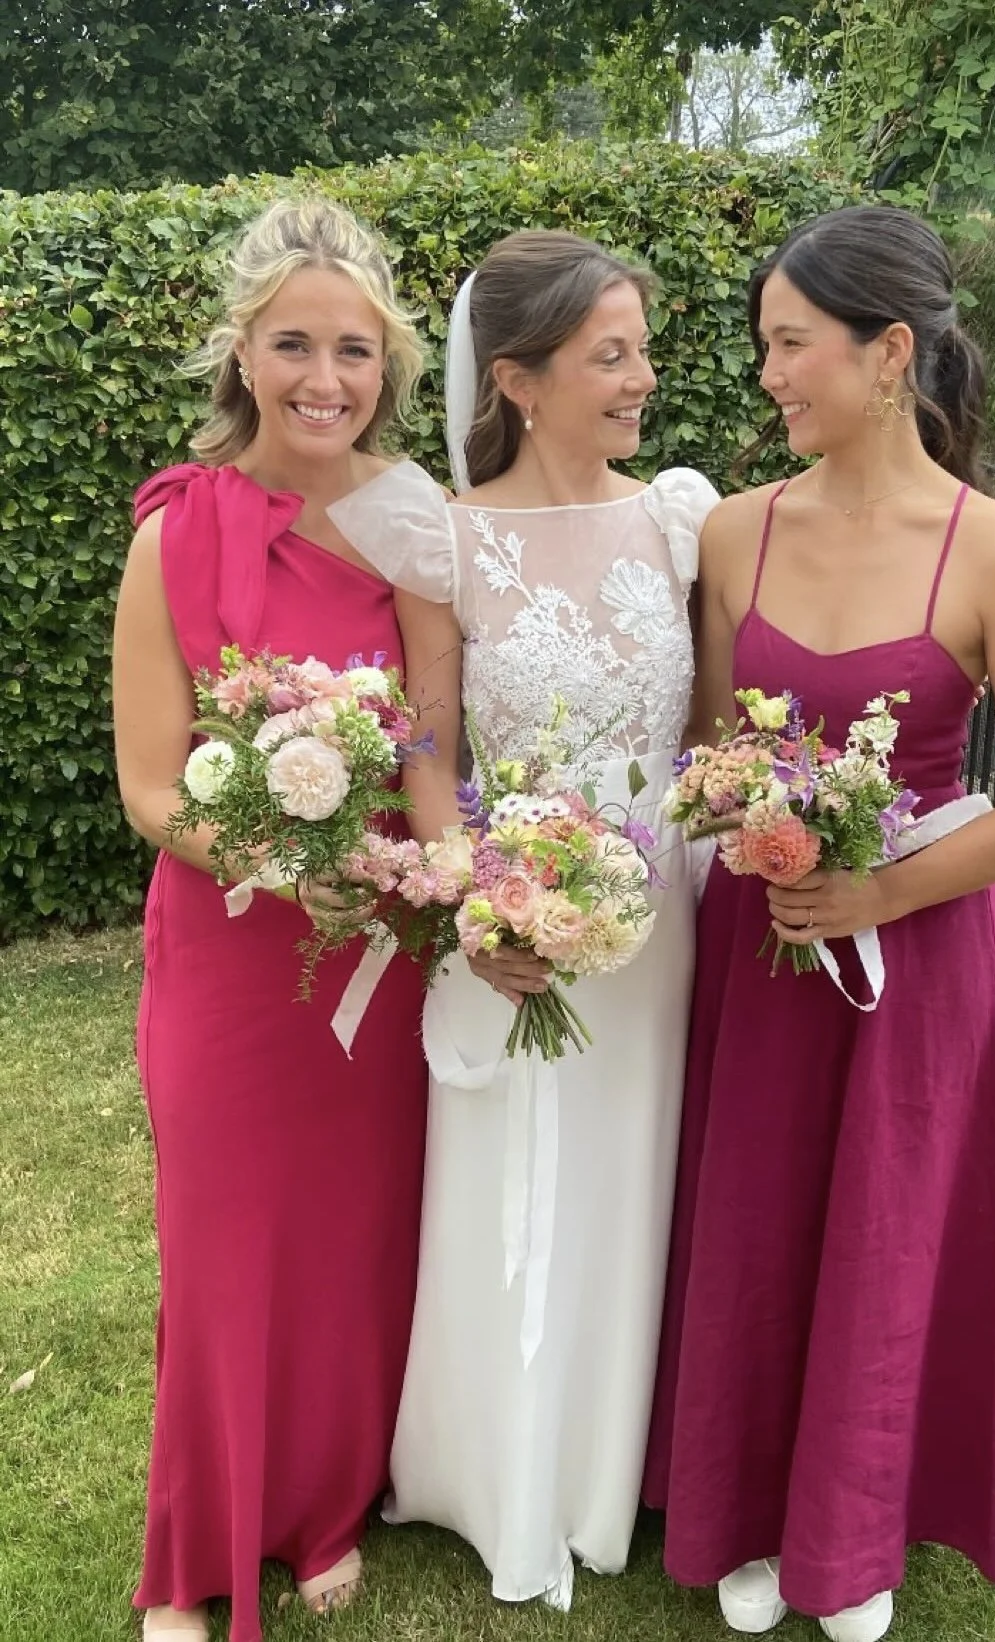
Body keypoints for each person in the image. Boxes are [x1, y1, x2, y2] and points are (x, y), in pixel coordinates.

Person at [643, 204, 995, 1642]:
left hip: (920, 952)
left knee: (890, 1234)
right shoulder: (729, 533)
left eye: (789, 344)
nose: (765, 373)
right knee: (761, 1224)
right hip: (763, 942)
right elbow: (712, 746)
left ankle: (857, 1527)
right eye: (764, 344)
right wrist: (744, 823)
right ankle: (736, 1506)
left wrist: (880, 889)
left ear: (887, 351)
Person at [328, 228, 719, 1609]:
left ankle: (620, 1468)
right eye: (612, 354)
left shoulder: (679, 514)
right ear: (520, 378)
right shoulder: (445, 534)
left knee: (643, 1174)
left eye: (639, 350)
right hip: (516, 922)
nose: (643, 379)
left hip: (665, 916)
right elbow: (426, 742)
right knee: (517, 1180)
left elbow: (716, 720)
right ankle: (497, 1474)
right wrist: (476, 892)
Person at [112, 196, 430, 1642]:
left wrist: (433, 879)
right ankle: (196, 1550)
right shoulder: (174, 534)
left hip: (373, 952)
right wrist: (268, 856)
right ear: (241, 350)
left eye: (352, 349)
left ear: (389, 363)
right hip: (236, 951)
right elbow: (144, 783)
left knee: (355, 1236)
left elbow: (430, 742)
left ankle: (321, 1505)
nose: (324, 377)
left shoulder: (411, 522)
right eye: (293, 343)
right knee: (226, 1241)